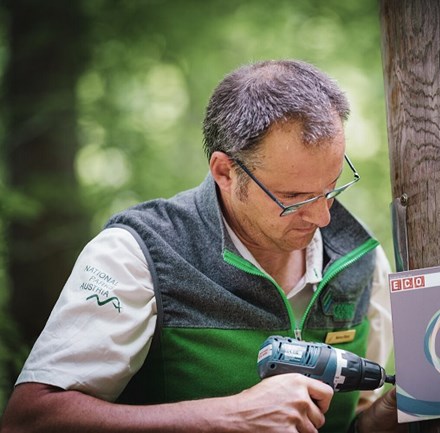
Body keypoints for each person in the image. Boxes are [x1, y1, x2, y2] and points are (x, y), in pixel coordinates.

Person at [1, 59, 403, 433]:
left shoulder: (361, 259)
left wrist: (394, 412)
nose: (322, 218)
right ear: (225, 172)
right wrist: (232, 416)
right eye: (294, 198)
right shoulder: (138, 254)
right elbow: (28, 418)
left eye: (332, 188)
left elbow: (352, 422)